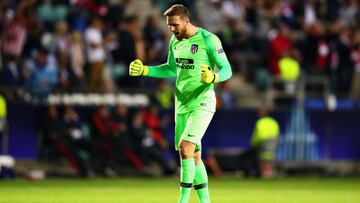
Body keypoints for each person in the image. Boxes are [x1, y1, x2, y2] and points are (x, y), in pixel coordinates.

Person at [129, 4, 232, 203]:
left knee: (186, 147)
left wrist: (213, 77)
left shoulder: (208, 39)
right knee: (194, 156)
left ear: (186, 20)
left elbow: (227, 69)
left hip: (202, 102)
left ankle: (182, 200)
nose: (172, 29)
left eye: (175, 25)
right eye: (169, 26)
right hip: (181, 104)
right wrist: (145, 70)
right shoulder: (174, 41)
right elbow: (170, 69)